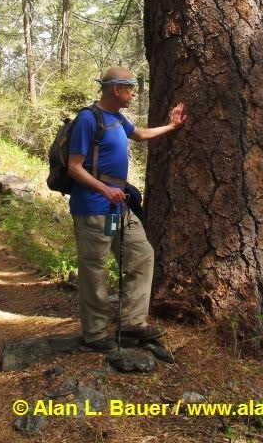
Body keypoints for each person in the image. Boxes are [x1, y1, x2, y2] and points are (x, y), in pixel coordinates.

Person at [67, 66, 187, 351]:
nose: (134, 92)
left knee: (142, 255)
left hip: (118, 207)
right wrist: (104, 189)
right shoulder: (88, 119)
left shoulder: (117, 118)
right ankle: (95, 334)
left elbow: (141, 135)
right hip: (93, 208)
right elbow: (74, 167)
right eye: (131, 88)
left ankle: (133, 324)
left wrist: (171, 127)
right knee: (94, 270)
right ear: (115, 90)